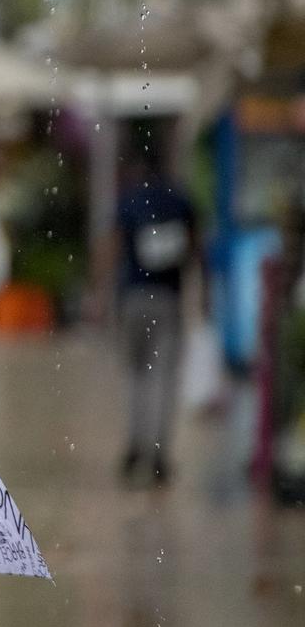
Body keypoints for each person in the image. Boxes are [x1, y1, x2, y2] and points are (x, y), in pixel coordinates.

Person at [113, 139, 199, 485]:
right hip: (168, 297)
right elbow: (195, 247)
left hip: (133, 297)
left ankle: (135, 444)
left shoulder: (129, 200)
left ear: (137, 167)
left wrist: (103, 296)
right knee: (163, 377)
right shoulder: (180, 200)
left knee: (135, 375)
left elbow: (113, 247)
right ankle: (159, 451)